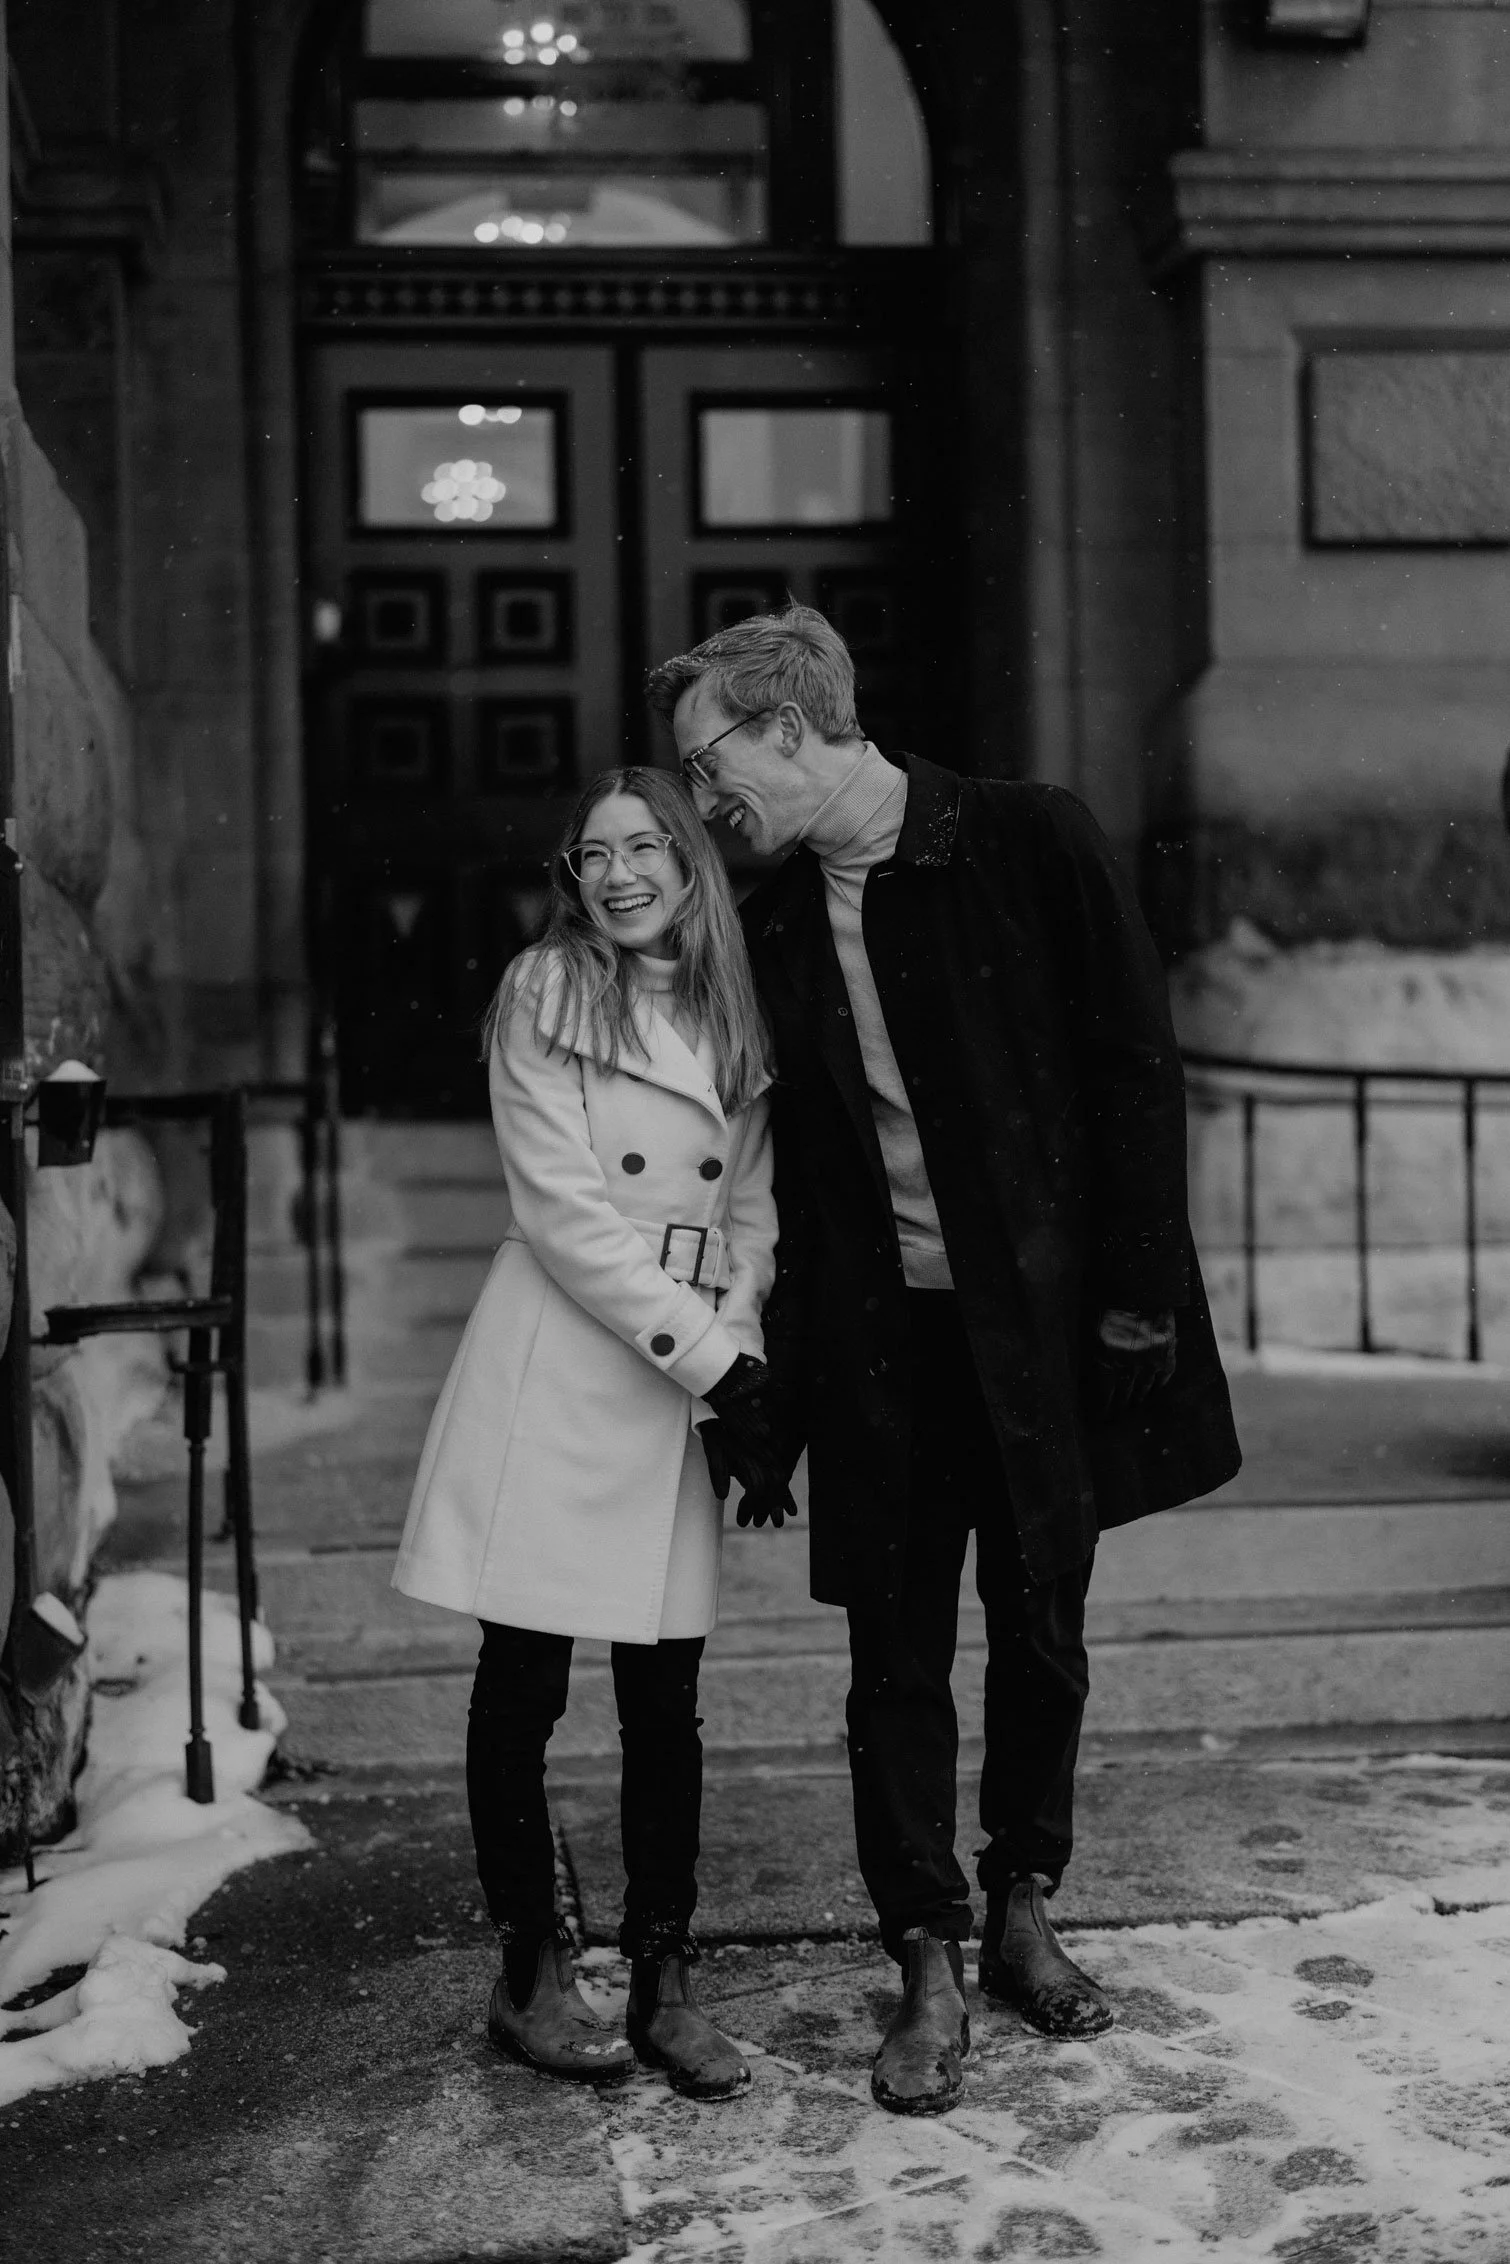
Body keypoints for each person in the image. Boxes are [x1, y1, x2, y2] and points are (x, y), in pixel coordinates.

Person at [646, 607, 1242, 2117]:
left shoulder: (1026, 839)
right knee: (892, 1655)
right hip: (875, 1346)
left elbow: (1130, 1068)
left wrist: (1137, 1297)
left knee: (1040, 1623)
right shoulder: (774, 925)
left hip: (1040, 1333)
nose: (704, 804)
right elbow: (755, 1172)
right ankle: (921, 1944)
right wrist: (755, 1380)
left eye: (712, 764)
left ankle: (1022, 1899)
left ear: (790, 728)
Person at [391, 766, 792, 2100]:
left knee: (661, 1693)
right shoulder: (546, 993)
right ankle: (531, 1971)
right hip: (567, 1356)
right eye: (591, 854)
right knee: (524, 1676)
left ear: (688, 861)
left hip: (682, 1364)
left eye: (641, 849)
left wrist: (741, 1344)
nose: (615, 875)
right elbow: (566, 1215)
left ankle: (666, 1974)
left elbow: (753, 1206)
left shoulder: (735, 1003)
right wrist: (716, 1362)